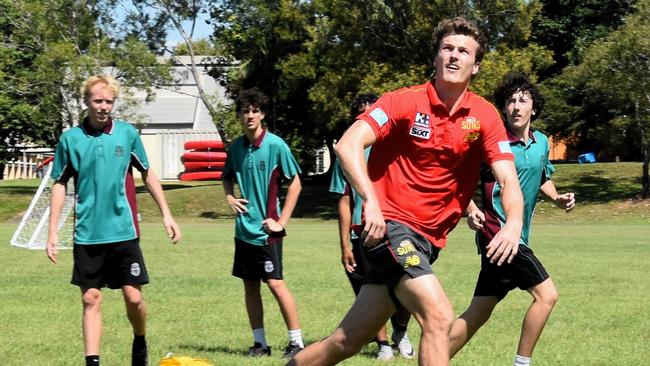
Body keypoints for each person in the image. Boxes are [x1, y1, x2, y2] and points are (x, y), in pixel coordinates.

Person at [288, 17, 524, 366]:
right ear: (435, 57)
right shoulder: (402, 102)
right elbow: (348, 145)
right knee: (439, 317)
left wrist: (514, 222)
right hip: (390, 229)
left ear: (476, 66)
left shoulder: (485, 116)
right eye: (447, 48)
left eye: (463, 51)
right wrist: (370, 202)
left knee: (347, 340)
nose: (454, 56)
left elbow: (508, 178)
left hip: (428, 241)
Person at [46, 74, 182, 366]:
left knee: (133, 299)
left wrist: (167, 214)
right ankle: (93, 362)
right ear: (86, 102)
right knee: (90, 299)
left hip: (124, 231)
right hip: (87, 233)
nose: (104, 106)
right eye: (98, 100)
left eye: (109, 101)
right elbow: (59, 184)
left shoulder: (127, 134)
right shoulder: (70, 140)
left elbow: (147, 173)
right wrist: (52, 231)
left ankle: (140, 340)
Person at [448, 72, 575, 366]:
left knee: (478, 312)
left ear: (534, 108)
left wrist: (557, 199)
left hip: (518, 234)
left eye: (522, 100)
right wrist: (470, 210)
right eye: (510, 101)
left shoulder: (542, 142)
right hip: (499, 234)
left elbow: (542, 176)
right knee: (547, 295)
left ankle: (434, 358)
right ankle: (522, 364)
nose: (516, 107)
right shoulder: (492, 142)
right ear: (503, 108)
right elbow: (457, 180)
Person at [329, 93, 415, 361]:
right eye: (362, 114)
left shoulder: (394, 146)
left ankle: (400, 332)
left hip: (395, 228)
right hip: (362, 233)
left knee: (407, 285)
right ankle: (383, 344)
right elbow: (344, 201)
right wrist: (344, 244)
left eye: (373, 112)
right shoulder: (347, 151)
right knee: (371, 290)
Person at [222, 87, 305, 359]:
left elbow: (295, 184)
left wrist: (282, 221)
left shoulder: (276, 145)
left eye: (254, 111)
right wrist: (230, 197)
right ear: (239, 115)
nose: (249, 115)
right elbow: (226, 177)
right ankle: (260, 344)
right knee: (250, 286)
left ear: (262, 114)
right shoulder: (235, 147)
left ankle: (297, 343)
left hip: (267, 232)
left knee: (275, 283)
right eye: (245, 111)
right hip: (243, 231)